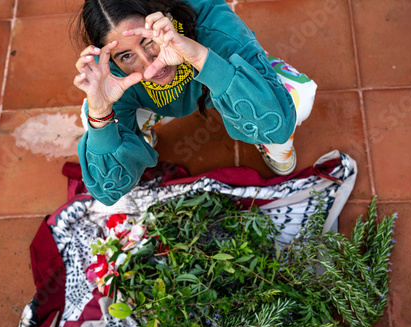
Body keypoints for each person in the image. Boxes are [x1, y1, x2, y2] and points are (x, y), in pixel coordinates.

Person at [73, 0, 317, 206]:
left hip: (225, 86)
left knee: (297, 100)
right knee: (94, 119)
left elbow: (275, 124)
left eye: (148, 40)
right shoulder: (112, 74)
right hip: (151, 107)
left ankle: (273, 149)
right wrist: (100, 111)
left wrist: (199, 55)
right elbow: (108, 192)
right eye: (126, 56)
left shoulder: (214, 24)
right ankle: (136, 138)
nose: (149, 64)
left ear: (164, 16)